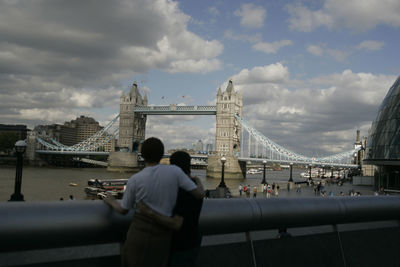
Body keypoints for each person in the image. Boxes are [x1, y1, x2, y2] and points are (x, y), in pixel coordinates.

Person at [103, 137, 204, 267]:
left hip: (138, 234)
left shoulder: (135, 179)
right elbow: (199, 194)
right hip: (164, 238)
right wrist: (198, 181)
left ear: (142, 155)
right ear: (162, 154)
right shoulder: (174, 172)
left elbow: (123, 210)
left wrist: (110, 201)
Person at [169, 151, 204, 267]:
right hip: (193, 239)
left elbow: (176, 223)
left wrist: (149, 213)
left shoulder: (181, 189)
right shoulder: (196, 186)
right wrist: (198, 180)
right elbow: (201, 193)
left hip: (178, 244)